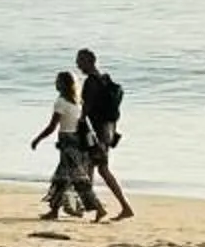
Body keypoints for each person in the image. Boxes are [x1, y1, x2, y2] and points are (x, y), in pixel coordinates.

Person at [30, 69, 102, 220]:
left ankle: (99, 208)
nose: (55, 83)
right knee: (61, 178)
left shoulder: (61, 102)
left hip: (68, 143)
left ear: (63, 84)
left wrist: (37, 139)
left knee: (79, 180)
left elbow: (52, 126)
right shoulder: (77, 101)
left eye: (57, 81)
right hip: (76, 142)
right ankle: (54, 211)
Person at [76, 44, 135, 222]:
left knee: (99, 169)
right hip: (108, 130)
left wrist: (78, 122)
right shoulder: (105, 80)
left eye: (80, 62)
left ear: (90, 62)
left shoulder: (91, 82)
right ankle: (95, 207)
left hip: (98, 132)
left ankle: (120, 207)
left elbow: (86, 108)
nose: (78, 66)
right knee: (94, 168)